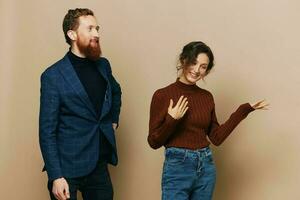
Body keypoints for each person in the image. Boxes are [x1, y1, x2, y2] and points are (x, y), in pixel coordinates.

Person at [147, 41, 268, 200]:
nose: (197, 70)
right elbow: (153, 142)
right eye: (193, 62)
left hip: (205, 165)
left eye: (203, 66)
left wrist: (243, 110)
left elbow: (216, 138)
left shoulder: (206, 97)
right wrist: (172, 120)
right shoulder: (162, 95)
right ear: (183, 60)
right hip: (178, 167)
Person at [39, 8, 121, 200]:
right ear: (72, 34)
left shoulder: (103, 65)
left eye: (97, 28)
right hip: (67, 168)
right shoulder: (53, 76)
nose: (97, 34)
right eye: (90, 28)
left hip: (98, 165)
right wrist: (56, 176)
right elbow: (47, 131)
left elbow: (115, 91)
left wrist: (113, 119)